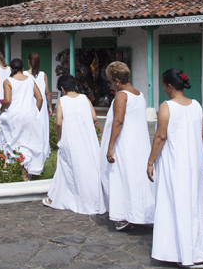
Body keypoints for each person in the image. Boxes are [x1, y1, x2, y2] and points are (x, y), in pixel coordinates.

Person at [147, 68, 203, 269]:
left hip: (174, 162)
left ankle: (174, 251)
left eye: (163, 86)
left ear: (170, 86)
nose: (163, 90)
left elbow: (160, 136)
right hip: (193, 163)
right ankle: (195, 252)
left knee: (172, 202)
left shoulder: (167, 107)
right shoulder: (197, 106)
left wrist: (150, 161)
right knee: (192, 205)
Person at [100, 61, 155, 230]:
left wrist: (110, 146)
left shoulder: (121, 95)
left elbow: (118, 121)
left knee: (120, 175)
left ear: (117, 80)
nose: (110, 85)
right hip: (138, 142)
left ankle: (122, 215)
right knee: (135, 177)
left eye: (110, 81)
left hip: (124, 143)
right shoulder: (139, 94)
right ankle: (140, 212)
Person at [43, 74, 107, 214]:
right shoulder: (84, 98)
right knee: (88, 167)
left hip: (70, 139)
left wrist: (59, 138)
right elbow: (94, 117)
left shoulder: (62, 101)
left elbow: (59, 122)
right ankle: (93, 198)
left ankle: (67, 198)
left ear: (62, 88)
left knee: (68, 170)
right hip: (86, 139)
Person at [0, 58, 44, 181]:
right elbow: (40, 98)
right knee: (27, 141)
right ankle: (25, 170)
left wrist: (2, 110)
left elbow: (7, 100)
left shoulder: (8, 81)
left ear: (11, 69)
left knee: (11, 139)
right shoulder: (31, 81)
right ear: (22, 69)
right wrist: (35, 111)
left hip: (15, 115)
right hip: (30, 115)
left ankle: (9, 164)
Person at [27, 52, 51, 173]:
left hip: (31, 105)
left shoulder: (25, 75)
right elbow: (47, 92)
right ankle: (42, 151)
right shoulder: (43, 75)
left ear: (29, 62)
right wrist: (50, 106)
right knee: (42, 129)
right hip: (42, 106)